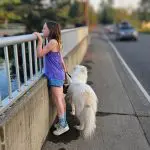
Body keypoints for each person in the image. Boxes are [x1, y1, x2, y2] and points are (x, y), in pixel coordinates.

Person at [33, 21, 69, 136]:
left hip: (55, 75)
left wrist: (39, 41)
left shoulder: (52, 42)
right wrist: (64, 70)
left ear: (51, 30)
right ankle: (63, 122)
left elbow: (39, 54)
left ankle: (63, 125)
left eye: (44, 29)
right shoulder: (55, 41)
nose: (42, 31)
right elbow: (60, 58)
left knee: (58, 99)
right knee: (60, 99)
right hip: (58, 74)